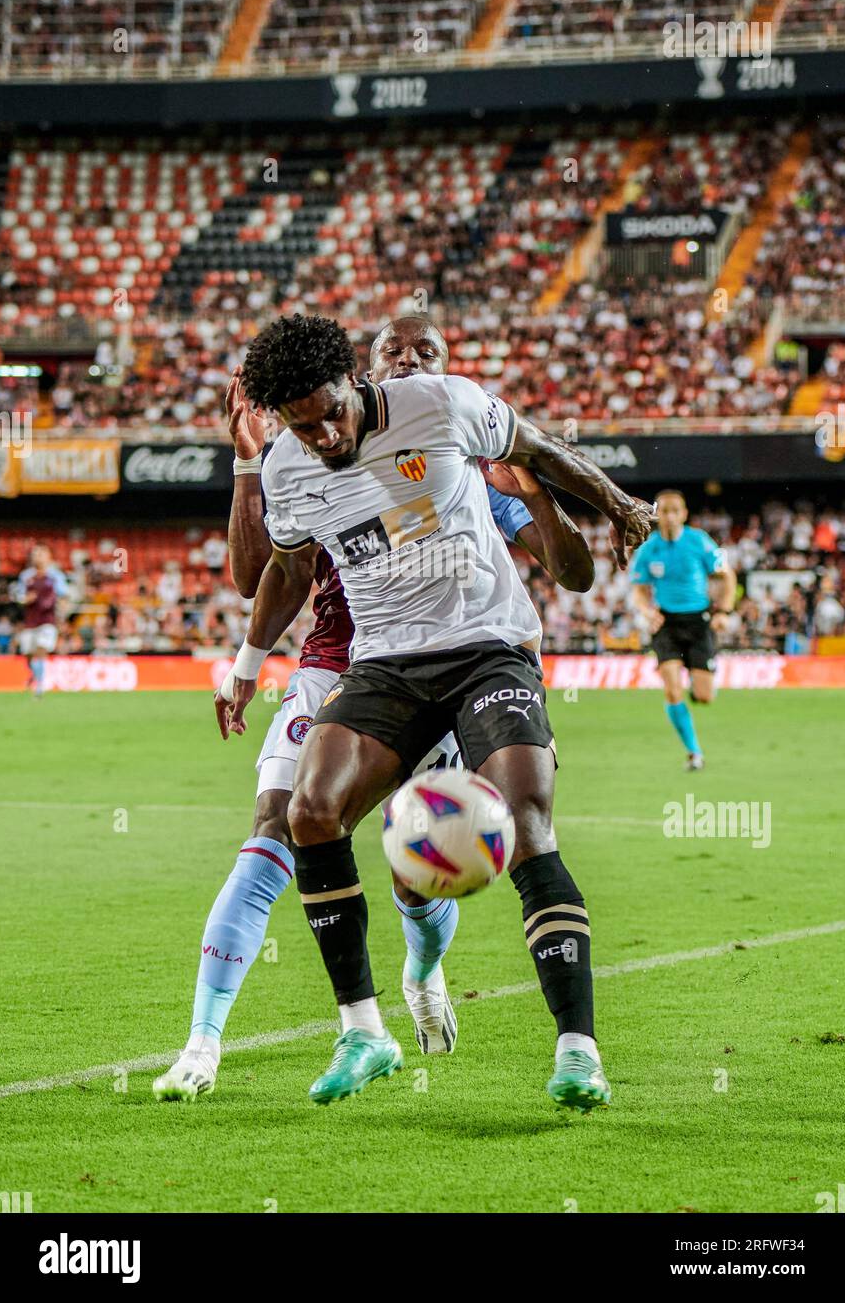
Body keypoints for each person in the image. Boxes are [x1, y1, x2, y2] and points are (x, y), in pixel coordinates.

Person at [153, 316, 594, 1102]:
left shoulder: (456, 450)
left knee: (423, 864)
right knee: (288, 819)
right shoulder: (302, 463)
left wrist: (557, 499)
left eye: (426, 355)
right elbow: (265, 575)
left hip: (472, 654)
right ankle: (222, 1039)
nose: (409, 364)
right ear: (371, 362)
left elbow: (572, 569)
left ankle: (424, 975)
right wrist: (248, 467)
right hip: (344, 665)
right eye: (397, 351)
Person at [630, 490, 736, 769]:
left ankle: (697, 681)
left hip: (698, 622)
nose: (669, 516)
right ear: (657, 516)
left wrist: (724, 611)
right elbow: (639, 589)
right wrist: (646, 611)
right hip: (666, 623)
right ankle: (694, 752)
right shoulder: (649, 549)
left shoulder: (699, 541)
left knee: (704, 696)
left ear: (684, 514)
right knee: (672, 690)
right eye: (663, 511)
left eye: (674, 510)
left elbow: (727, 575)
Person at [15, 544, 68, 696]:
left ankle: (40, 685)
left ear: (49, 557)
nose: (38, 557)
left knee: (41, 649)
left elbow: (63, 595)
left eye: (41, 554)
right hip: (30, 620)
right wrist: (25, 599)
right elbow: (19, 596)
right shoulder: (25, 576)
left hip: (48, 620)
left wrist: (62, 614)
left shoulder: (56, 576)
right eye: (36, 554)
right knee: (27, 652)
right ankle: (35, 674)